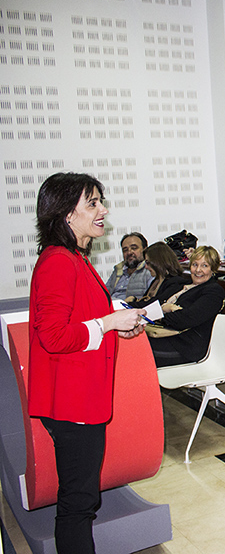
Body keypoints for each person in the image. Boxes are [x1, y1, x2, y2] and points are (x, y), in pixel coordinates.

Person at [29, 172, 146, 552]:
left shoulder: (75, 258)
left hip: (81, 399)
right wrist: (108, 322)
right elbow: (54, 336)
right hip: (72, 404)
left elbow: (82, 320)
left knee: (81, 500)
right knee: (79, 504)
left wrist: (116, 326)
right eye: (92, 203)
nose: (103, 210)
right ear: (67, 215)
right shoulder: (58, 262)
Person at [146, 246, 225, 368]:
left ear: (213, 270)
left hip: (186, 347)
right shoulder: (182, 285)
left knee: (137, 353)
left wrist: (161, 314)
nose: (198, 270)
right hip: (168, 337)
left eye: (205, 266)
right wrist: (165, 310)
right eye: (195, 264)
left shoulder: (213, 291)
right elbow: (154, 304)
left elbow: (185, 319)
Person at [105, 232, 153, 300]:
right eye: (125, 250)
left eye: (134, 248)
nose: (129, 252)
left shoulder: (150, 270)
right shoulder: (118, 270)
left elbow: (151, 298)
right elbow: (104, 294)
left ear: (144, 249)